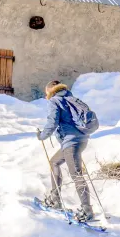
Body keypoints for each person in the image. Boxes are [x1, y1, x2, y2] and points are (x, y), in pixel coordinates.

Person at [39, 81, 99, 221]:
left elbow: (52, 122)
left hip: (71, 143)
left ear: (49, 91)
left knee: (77, 176)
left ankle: (87, 210)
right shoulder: (70, 98)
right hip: (81, 140)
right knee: (54, 162)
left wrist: (42, 136)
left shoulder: (55, 101)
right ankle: (55, 198)